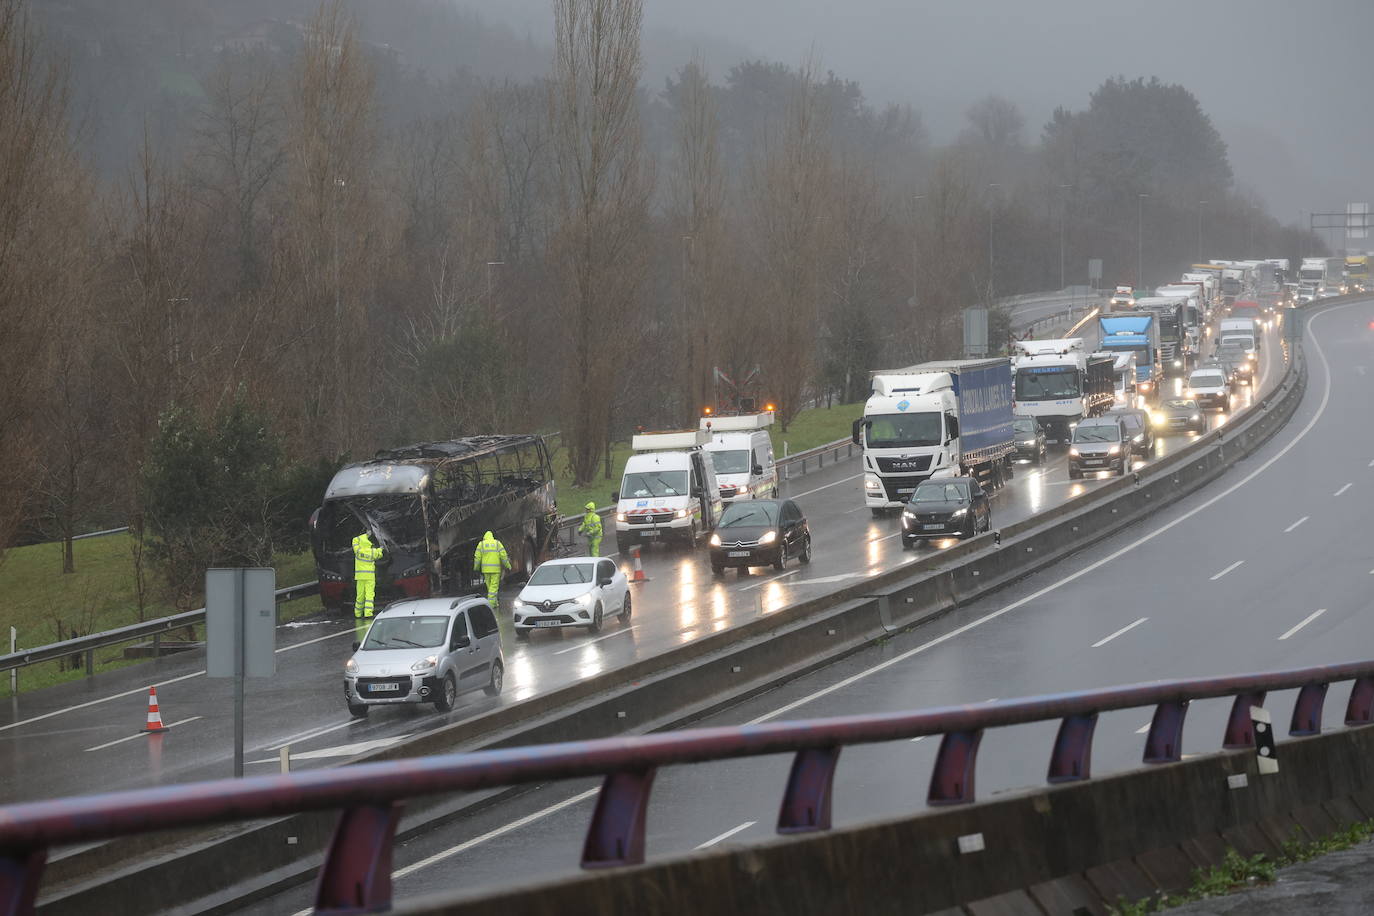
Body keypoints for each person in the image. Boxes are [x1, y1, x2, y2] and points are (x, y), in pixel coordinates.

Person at [352, 531, 385, 622]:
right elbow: (380, 554)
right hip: (370, 576)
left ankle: (357, 613)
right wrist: (381, 548)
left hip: (360, 576)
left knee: (360, 595)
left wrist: (365, 535)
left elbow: (354, 541)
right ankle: (368, 614)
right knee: (369, 595)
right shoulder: (373, 552)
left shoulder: (358, 550)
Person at [473, 530, 510, 605]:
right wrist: (508, 566)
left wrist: (476, 567)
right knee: (493, 587)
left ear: (484, 538)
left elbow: (477, 557)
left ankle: (495, 603)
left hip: (486, 570)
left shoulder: (481, 544)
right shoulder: (497, 543)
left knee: (490, 588)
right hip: (495, 570)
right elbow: (503, 556)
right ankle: (491, 604)